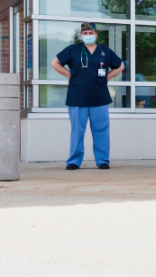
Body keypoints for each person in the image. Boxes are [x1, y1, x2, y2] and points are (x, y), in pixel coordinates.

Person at [49, 22, 125, 170]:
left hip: (99, 96)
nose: (88, 36)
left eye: (91, 33)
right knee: (77, 130)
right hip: (78, 96)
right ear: (81, 34)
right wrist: (70, 75)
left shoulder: (104, 51)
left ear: (96, 34)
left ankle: (103, 160)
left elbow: (120, 66)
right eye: (85, 33)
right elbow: (55, 63)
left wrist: (106, 78)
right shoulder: (73, 50)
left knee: (101, 129)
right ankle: (74, 161)